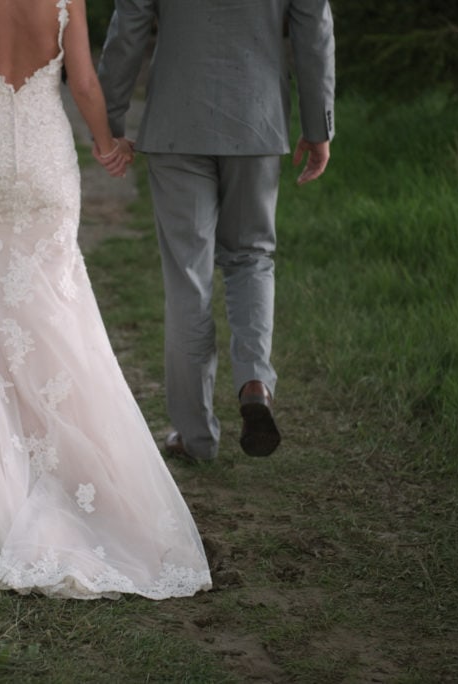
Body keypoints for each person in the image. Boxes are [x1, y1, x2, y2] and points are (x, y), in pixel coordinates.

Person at [0, 0, 212, 600]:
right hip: (45, 164)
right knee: (54, 318)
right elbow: (85, 81)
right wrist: (104, 142)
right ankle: (74, 472)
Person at [96, 0, 336, 463]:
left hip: (176, 123)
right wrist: (317, 125)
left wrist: (107, 120)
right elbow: (313, 27)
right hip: (258, 119)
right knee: (251, 256)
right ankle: (254, 383)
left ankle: (196, 436)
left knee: (188, 276)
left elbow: (130, 23)